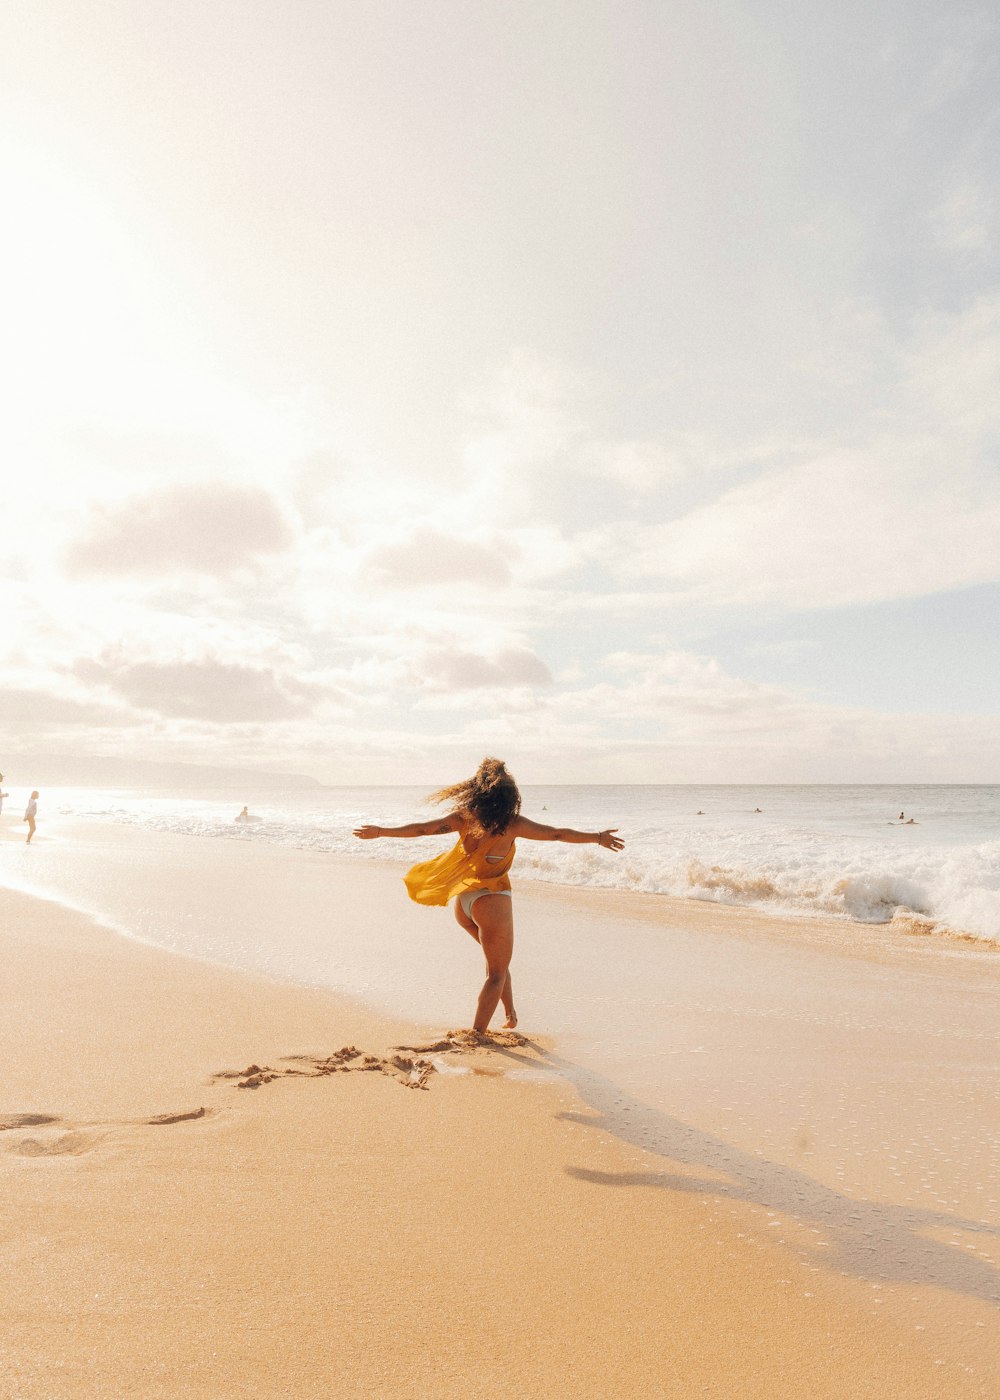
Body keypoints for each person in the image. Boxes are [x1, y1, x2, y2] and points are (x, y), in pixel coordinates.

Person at [353, 757, 624, 1033]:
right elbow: (556, 835)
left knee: (497, 964)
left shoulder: (463, 818)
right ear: (510, 796)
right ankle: (477, 1034)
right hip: (491, 902)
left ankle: (510, 1015)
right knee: (496, 972)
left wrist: (381, 832)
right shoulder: (513, 824)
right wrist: (597, 838)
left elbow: (424, 829)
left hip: (465, 905)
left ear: (477, 791)